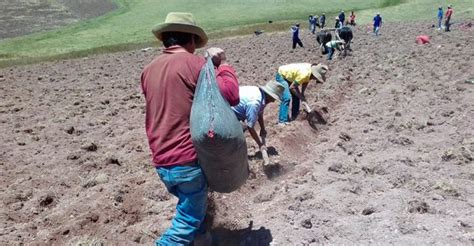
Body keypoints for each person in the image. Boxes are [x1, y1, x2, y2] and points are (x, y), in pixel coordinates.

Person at [141, 12, 239, 246]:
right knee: (187, 220)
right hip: (186, 159)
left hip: (162, 159)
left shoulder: (148, 70)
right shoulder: (195, 64)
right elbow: (231, 95)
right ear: (192, 40)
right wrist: (222, 65)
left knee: (194, 209)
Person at [231, 80, 284, 164]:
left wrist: (262, 128)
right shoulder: (255, 102)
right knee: (238, 133)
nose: (273, 101)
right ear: (269, 95)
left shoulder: (261, 95)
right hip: (229, 111)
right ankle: (233, 157)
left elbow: (260, 112)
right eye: (273, 98)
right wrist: (260, 145)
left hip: (234, 108)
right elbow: (250, 126)